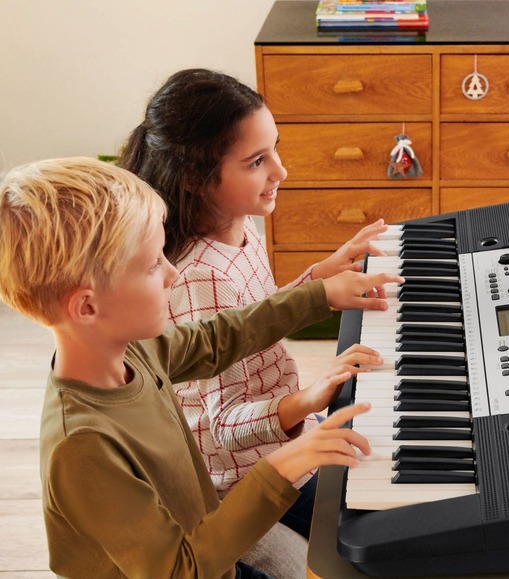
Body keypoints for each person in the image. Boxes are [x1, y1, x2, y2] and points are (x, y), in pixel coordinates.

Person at [0, 157, 403, 578]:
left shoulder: (132, 350)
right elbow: (180, 571)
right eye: (153, 264)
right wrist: (289, 461)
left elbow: (215, 338)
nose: (174, 273)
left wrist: (319, 294)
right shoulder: (81, 446)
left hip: (209, 549)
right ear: (87, 306)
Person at [119, 68, 389, 539]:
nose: (280, 171)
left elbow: (255, 317)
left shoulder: (239, 227)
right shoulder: (200, 276)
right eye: (256, 161)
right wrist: (310, 396)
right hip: (252, 475)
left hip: (285, 435)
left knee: (381, 456)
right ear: (194, 179)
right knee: (381, 529)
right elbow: (219, 428)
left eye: (275, 149)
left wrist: (323, 273)